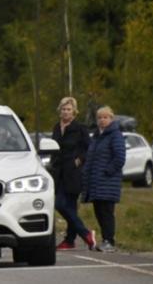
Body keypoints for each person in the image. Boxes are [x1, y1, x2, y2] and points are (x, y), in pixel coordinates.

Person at [51, 97, 96, 251]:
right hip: (58, 172)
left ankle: (85, 234)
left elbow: (89, 147)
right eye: (63, 109)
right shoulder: (57, 127)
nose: (65, 112)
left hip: (73, 172)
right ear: (60, 111)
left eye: (69, 109)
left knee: (63, 205)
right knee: (67, 207)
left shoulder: (80, 128)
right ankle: (71, 240)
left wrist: (80, 160)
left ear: (74, 112)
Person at [83, 105, 126, 252]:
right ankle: (105, 239)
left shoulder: (115, 135)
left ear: (111, 119)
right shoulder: (96, 137)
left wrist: (107, 171)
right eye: (100, 118)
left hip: (108, 182)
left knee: (107, 212)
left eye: (105, 117)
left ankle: (110, 241)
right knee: (99, 211)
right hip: (96, 183)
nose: (102, 120)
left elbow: (119, 158)